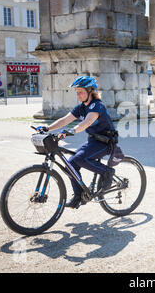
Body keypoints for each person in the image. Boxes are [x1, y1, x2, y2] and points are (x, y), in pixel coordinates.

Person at [36, 76, 116, 209]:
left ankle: (107, 172)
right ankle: (79, 196)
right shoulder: (81, 107)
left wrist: (71, 131)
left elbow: (87, 122)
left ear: (90, 91)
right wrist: (47, 128)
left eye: (81, 92)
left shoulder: (97, 105)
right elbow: (64, 120)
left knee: (79, 158)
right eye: (77, 92)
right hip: (93, 141)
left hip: (105, 143)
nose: (78, 95)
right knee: (71, 163)